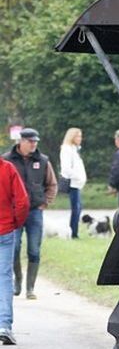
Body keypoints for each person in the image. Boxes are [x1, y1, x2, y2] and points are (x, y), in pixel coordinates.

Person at [3, 127, 57, 300]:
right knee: (15, 248)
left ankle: (30, 288)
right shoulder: (7, 160)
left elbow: (52, 184)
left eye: (35, 141)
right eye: (30, 141)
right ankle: (17, 283)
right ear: (21, 141)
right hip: (14, 212)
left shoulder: (42, 161)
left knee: (34, 249)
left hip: (34, 211)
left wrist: (45, 202)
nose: (34, 144)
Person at [0, 155, 29, 344]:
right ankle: (4, 325)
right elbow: (22, 201)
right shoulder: (7, 168)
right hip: (5, 230)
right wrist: (15, 223)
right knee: (4, 277)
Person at [60, 127, 87, 239]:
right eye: (77, 136)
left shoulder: (75, 149)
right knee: (76, 208)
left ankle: (74, 231)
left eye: (80, 136)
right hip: (73, 183)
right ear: (72, 137)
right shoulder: (67, 149)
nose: (80, 138)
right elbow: (66, 169)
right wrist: (78, 177)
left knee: (78, 208)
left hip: (77, 184)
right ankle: (74, 233)